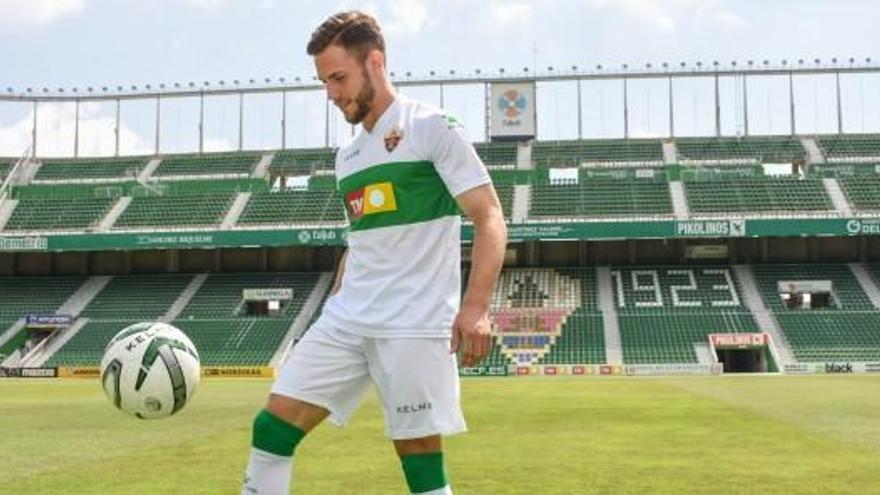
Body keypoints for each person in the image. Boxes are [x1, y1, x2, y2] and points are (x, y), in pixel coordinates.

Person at [241, 10, 508, 495]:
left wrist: (475, 309)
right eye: (324, 82)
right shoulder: (348, 158)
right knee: (271, 429)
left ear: (376, 62)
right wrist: (338, 294)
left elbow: (489, 217)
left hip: (413, 322)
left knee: (420, 462)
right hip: (347, 319)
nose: (331, 93)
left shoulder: (432, 128)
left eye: (339, 77)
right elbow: (361, 236)